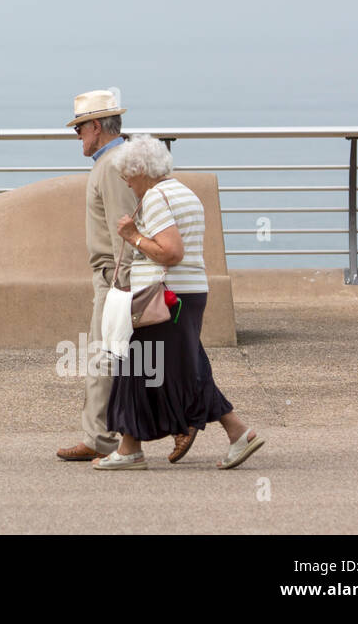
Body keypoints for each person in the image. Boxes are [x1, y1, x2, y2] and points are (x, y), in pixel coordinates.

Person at [94, 134, 265, 471]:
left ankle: (236, 433)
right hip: (186, 293)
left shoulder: (156, 197)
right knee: (168, 368)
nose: (127, 184)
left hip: (165, 297)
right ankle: (133, 447)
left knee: (148, 366)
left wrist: (133, 236)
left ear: (141, 169)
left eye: (127, 175)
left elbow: (171, 252)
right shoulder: (184, 193)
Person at [56, 89, 136, 462]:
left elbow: (124, 226)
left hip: (114, 275)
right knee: (122, 358)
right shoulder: (113, 161)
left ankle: (98, 438)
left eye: (80, 129)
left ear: (97, 126)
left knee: (103, 357)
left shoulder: (111, 165)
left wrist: (122, 280)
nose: (78, 137)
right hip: (114, 274)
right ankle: (103, 436)